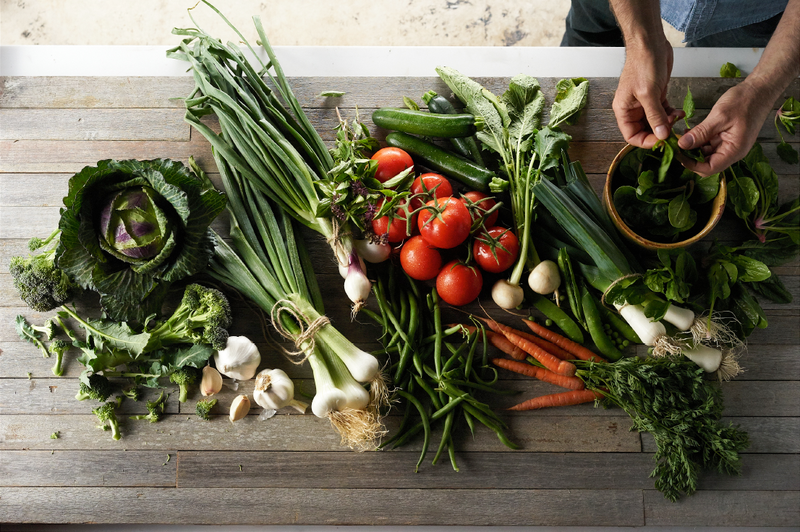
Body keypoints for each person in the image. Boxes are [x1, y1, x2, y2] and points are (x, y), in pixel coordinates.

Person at [561, 0, 800, 177]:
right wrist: (642, 43)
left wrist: (759, 90)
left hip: (748, 13)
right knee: (581, 57)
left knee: (707, 57)